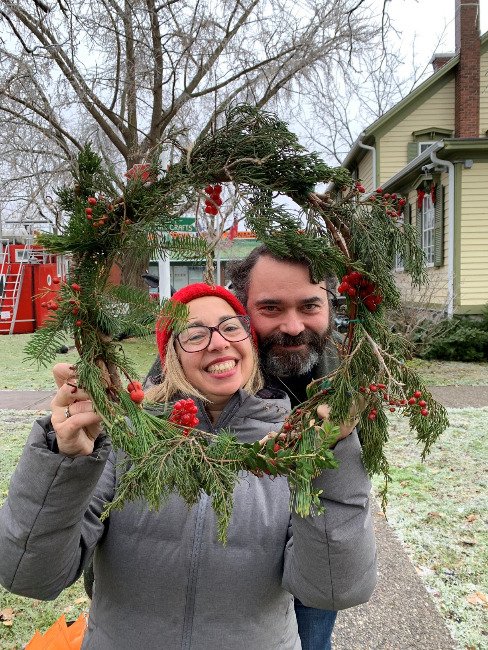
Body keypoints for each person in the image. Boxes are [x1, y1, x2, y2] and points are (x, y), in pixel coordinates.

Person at [0, 283, 376, 650]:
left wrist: (334, 453)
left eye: (231, 327)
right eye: (194, 334)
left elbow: (332, 588)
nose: (218, 341)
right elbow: (29, 575)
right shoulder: (126, 439)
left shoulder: (290, 444)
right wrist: (64, 459)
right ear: (171, 357)